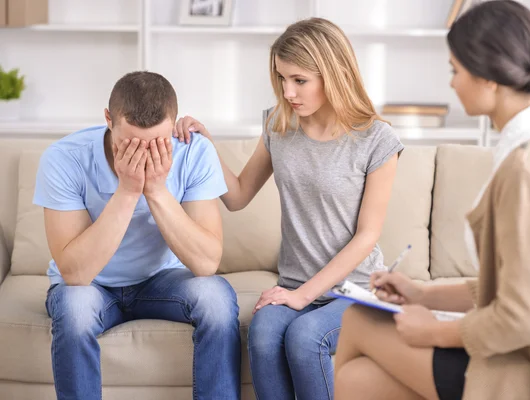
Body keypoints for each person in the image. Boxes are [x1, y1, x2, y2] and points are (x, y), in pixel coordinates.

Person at [334, 1, 530, 400]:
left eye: (455, 70)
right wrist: (422, 294)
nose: (452, 83)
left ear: (489, 77)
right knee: (358, 381)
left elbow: (522, 318)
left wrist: (434, 330)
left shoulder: (526, 171)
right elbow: (517, 285)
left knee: (357, 322)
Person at [174, 17, 404, 400]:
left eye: (300, 80)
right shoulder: (280, 124)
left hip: (356, 289)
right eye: (282, 79)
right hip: (294, 285)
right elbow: (238, 196)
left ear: (333, 74)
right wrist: (205, 143)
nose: (289, 91)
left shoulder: (377, 140)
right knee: (263, 334)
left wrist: (301, 297)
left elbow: (368, 236)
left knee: (304, 337)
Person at [34, 71, 241, 400]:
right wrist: (128, 192)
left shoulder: (194, 152)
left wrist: (157, 191)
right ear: (108, 119)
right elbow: (75, 273)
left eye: (158, 143)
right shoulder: (63, 159)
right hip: (92, 286)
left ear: (173, 123)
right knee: (74, 308)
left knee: (216, 299)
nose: (144, 154)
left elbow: (206, 263)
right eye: (129, 143)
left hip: (162, 280)